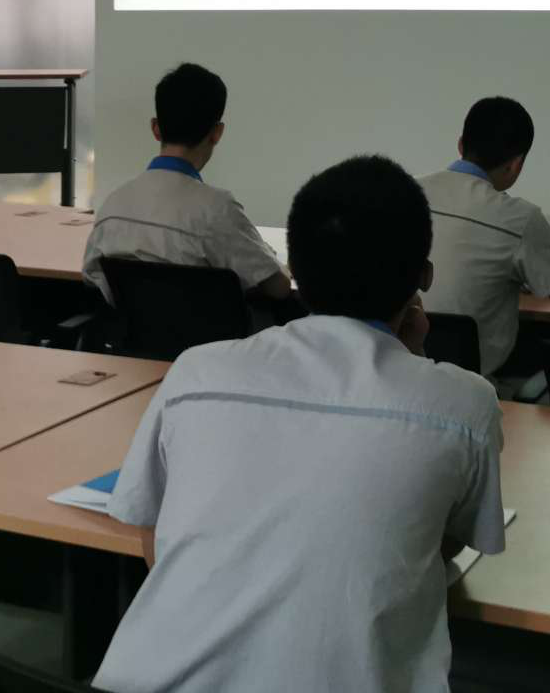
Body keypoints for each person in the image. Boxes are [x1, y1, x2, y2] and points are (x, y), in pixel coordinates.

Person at [94, 154, 505, 693]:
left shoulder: (196, 372)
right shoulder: (464, 406)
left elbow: (153, 529)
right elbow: (444, 537)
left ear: (294, 266)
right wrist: (416, 362)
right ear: (423, 278)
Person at [82, 62, 290, 306]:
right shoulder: (217, 210)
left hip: (132, 331)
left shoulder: (113, 206)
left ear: (156, 129)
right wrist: (275, 260)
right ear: (217, 133)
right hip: (212, 332)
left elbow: (91, 277)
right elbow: (279, 288)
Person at [418, 97, 550, 380]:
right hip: (476, 388)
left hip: (404, 374)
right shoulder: (520, 219)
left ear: (461, 144)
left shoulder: (407, 192)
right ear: (516, 165)